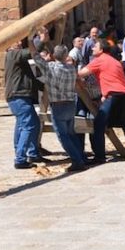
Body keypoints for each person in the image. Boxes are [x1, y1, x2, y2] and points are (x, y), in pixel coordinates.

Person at [79, 41, 125, 163]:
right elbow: (112, 78)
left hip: (115, 94)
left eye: (95, 46)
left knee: (98, 123)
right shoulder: (113, 60)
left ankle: (99, 156)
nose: (93, 48)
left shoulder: (99, 60)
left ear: (101, 50)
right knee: (124, 123)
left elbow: (81, 73)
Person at [37, 44, 85, 172]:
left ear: (53, 55)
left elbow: (36, 58)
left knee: (63, 136)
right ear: (65, 56)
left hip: (58, 105)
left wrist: (31, 41)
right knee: (71, 133)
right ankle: (81, 156)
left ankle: (77, 160)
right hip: (70, 104)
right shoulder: (72, 69)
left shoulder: (49, 68)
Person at [4, 40, 42, 169]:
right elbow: (30, 53)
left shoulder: (18, 59)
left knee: (26, 124)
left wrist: (44, 86)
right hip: (18, 96)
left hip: (20, 95)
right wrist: (41, 40)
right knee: (29, 125)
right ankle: (20, 158)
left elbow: (30, 79)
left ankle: (30, 153)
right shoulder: (12, 54)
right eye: (16, 40)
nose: (19, 42)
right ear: (9, 45)